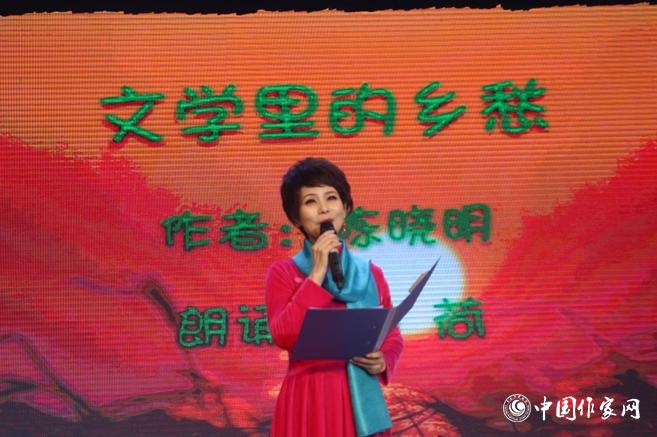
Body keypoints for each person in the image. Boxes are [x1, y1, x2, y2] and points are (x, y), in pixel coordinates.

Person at [265, 157, 403, 437]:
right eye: (310, 201)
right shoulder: (282, 273)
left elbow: (391, 335)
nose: (324, 208)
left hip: (361, 400)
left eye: (331, 197)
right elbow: (284, 335)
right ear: (296, 217)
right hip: (310, 397)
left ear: (346, 207)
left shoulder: (370, 274)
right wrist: (316, 275)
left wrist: (383, 360)